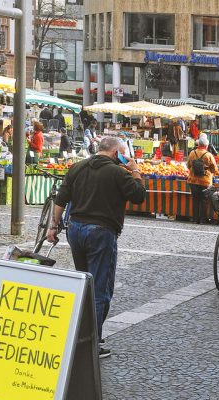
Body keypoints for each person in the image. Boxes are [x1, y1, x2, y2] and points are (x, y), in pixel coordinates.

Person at [45, 137, 146, 358]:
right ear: (116, 153)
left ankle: (81, 333)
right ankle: (92, 342)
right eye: (122, 153)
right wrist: (135, 170)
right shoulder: (118, 173)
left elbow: (61, 199)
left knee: (83, 283)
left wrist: (53, 226)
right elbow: (139, 196)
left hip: (76, 230)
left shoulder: (78, 167)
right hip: (100, 232)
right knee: (100, 289)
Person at [187, 135, 219, 224]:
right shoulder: (209, 155)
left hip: (193, 180)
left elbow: (188, 165)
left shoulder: (192, 153)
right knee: (204, 200)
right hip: (205, 181)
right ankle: (202, 220)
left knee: (195, 200)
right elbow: (214, 169)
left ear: (198, 144)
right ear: (206, 146)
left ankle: (194, 219)